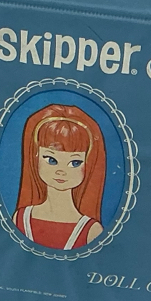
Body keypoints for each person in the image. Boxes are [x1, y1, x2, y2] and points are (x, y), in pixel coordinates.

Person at [13, 104, 107, 250]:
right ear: (35, 157)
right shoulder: (20, 218)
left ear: (87, 164)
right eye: (51, 160)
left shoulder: (91, 230)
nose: (61, 171)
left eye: (75, 162)